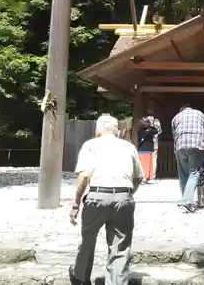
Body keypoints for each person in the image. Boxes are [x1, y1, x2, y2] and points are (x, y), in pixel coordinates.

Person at [68, 114, 145, 285]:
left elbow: (85, 176)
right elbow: (139, 177)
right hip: (124, 197)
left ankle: (80, 277)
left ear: (98, 129)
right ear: (117, 130)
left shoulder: (90, 145)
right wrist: (128, 194)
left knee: (88, 238)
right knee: (120, 246)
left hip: (96, 196)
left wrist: (76, 203)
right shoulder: (129, 147)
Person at [171, 104, 204, 213]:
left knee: (183, 175)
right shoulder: (201, 114)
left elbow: (174, 135)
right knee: (194, 173)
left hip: (180, 146)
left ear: (181, 110)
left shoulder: (176, 117)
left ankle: (186, 201)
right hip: (196, 146)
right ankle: (186, 202)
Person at [136, 118, 158, 184]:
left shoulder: (139, 132)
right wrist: (151, 125)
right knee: (148, 165)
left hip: (141, 150)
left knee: (142, 164)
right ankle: (146, 178)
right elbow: (156, 130)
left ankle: (143, 178)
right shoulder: (150, 132)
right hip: (148, 150)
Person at [141, 110, 161, 181]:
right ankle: (152, 176)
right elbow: (159, 131)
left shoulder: (144, 120)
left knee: (144, 159)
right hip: (154, 143)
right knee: (153, 159)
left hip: (145, 144)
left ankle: (144, 176)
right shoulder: (156, 121)